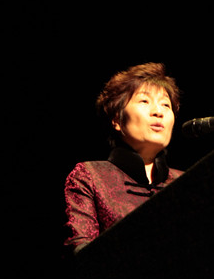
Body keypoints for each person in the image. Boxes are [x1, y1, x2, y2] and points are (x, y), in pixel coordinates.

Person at [63, 62, 183, 254]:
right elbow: (82, 254)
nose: (158, 112)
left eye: (165, 105)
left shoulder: (185, 181)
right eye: (144, 101)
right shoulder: (90, 176)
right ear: (117, 120)